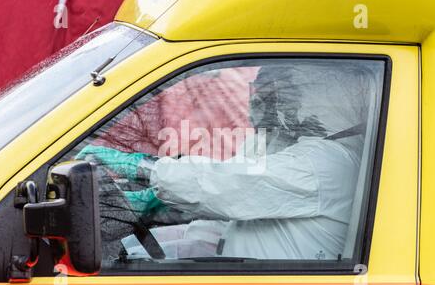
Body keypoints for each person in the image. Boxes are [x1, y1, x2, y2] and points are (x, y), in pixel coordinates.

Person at [78, 63, 367, 260]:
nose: (258, 105)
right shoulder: (272, 146)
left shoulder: (326, 164)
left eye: (273, 97)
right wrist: (162, 210)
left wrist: (144, 168)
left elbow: (229, 185)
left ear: (313, 101)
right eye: (259, 95)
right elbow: (226, 216)